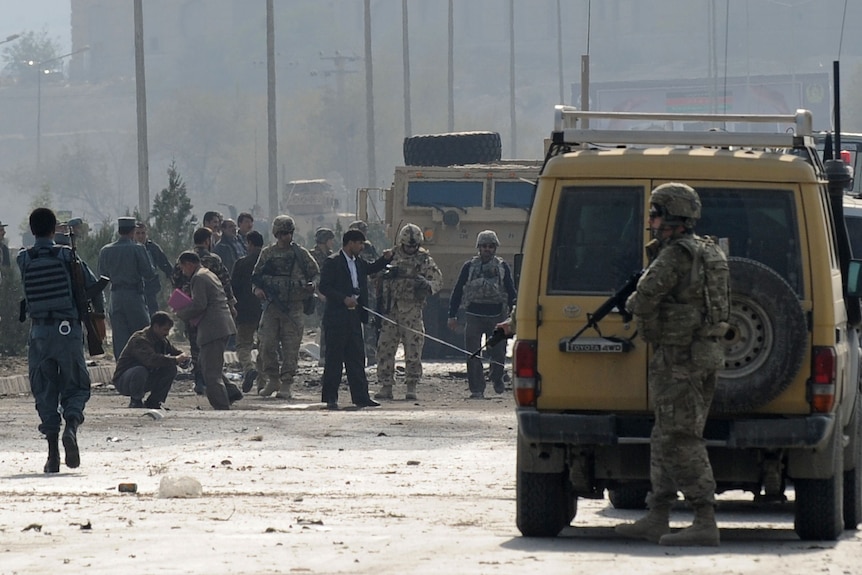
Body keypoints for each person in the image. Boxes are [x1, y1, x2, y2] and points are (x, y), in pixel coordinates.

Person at [615, 183, 729, 547]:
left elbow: (643, 301)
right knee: (664, 435)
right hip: (695, 356)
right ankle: (658, 514)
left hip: (681, 359)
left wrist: (634, 301)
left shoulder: (676, 256)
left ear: (674, 217)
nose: (651, 221)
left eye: (656, 213)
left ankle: (704, 517)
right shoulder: (708, 251)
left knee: (680, 438)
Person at [17, 207, 106, 473]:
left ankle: (53, 452)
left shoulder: (25, 258)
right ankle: (71, 427)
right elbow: (91, 287)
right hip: (68, 331)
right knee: (76, 385)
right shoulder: (68, 255)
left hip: (39, 332)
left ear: (32, 230)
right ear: (54, 227)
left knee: (44, 389)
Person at [319, 229, 393, 409]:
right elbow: (324, 287)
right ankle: (331, 398)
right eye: (359, 243)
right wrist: (343, 299)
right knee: (334, 358)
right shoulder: (333, 262)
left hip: (354, 316)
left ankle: (361, 397)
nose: (361, 247)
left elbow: (372, 268)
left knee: (356, 358)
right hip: (336, 316)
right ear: (349, 243)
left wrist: (386, 259)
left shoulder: (359, 263)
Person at [251, 215, 319, 400]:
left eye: (288, 233)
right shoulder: (268, 253)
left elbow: (315, 274)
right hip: (272, 307)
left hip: (293, 307)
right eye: (282, 234)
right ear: (276, 234)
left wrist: (312, 285)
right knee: (266, 345)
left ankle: (286, 383)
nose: (285, 237)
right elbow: (256, 276)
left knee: (291, 347)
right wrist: (257, 289)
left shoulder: (301, 254)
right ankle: (272, 379)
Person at [374, 223, 443, 401]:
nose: (411, 249)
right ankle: (386, 386)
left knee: (413, 347)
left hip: (412, 309)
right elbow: (374, 274)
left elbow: (437, 280)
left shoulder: (424, 260)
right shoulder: (391, 255)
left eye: (414, 246)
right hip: (391, 309)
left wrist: (425, 284)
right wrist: (385, 273)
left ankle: (411, 385)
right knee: (385, 348)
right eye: (408, 246)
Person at [447, 230, 517, 398]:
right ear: (479, 248)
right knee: (472, 354)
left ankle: (497, 376)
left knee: (499, 351)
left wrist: (514, 315)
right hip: (473, 315)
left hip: (497, 316)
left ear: (495, 248)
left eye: (491, 246)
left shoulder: (502, 267)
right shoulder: (469, 267)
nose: (487, 249)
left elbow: (511, 291)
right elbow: (457, 291)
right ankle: (477, 389)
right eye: (484, 246)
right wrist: (452, 315)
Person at [171, 226, 236, 394]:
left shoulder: (182, 260)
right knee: (212, 352)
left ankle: (200, 380)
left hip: (189, 307)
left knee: (196, 346)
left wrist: (180, 307)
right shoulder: (213, 260)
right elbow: (225, 283)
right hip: (210, 312)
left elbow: (175, 284)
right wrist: (231, 304)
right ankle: (217, 384)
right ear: (208, 241)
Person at [174, 251, 241, 410]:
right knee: (208, 364)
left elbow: (199, 304)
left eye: (183, 268)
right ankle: (231, 392)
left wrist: (180, 313)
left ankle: (221, 405)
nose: (183, 272)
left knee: (210, 372)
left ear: (189, 264)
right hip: (220, 326)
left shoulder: (198, 278)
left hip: (213, 328)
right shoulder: (208, 274)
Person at [98, 217, 157, 360]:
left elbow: (101, 275)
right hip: (134, 295)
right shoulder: (138, 248)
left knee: (119, 336)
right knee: (142, 333)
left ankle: (122, 369)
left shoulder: (106, 250)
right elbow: (149, 274)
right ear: (132, 231)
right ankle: (145, 365)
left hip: (115, 296)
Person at [111, 311, 189, 409]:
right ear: (156, 327)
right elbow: (151, 360)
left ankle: (154, 402)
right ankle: (136, 401)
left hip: (146, 377)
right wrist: (176, 359)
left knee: (171, 369)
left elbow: (175, 352)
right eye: (165, 329)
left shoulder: (162, 339)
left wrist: (183, 358)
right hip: (125, 380)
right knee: (140, 370)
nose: (167, 333)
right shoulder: (140, 339)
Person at [231, 230, 264, 393]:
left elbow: (233, 287)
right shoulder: (268, 262)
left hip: (245, 310)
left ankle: (248, 368)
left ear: (249, 243)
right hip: (266, 309)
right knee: (264, 345)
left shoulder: (241, 263)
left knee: (243, 344)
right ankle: (262, 381)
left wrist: (233, 307)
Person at [349, 219, 381, 365]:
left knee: (369, 323)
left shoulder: (368, 248)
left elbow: (375, 268)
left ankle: (371, 355)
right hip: (351, 294)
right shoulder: (346, 250)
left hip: (369, 293)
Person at [135, 222, 173, 317]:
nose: (140, 236)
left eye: (143, 233)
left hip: (150, 287)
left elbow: (164, 264)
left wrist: (172, 278)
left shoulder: (153, 248)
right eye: (138, 233)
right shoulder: (130, 249)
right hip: (134, 288)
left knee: (152, 313)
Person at [311, 227, 335, 367]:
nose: (332, 242)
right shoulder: (312, 256)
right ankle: (323, 356)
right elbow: (310, 277)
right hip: (318, 296)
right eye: (330, 240)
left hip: (330, 295)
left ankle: (329, 355)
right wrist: (318, 294)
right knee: (325, 326)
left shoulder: (331, 255)